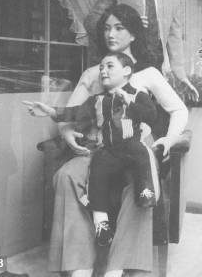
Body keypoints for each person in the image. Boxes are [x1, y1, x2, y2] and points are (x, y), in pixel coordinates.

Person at [49, 4, 188, 277]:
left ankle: (119, 267)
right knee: (66, 175)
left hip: (135, 152)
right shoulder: (93, 73)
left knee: (139, 184)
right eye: (107, 28)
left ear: (134, 34)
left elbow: (179, 109)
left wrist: (168, 140)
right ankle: (80, 267)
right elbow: (71, 114)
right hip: (97, 151)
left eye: (119, 27)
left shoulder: (148, 75)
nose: (110, 34)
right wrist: (66, 132)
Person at [25, 52, 160, 247]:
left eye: (110, 66)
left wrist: (129, 102)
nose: (103, 70)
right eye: (101, 67)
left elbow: (151, 116)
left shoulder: (138, 95)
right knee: (97, 170)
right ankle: (101, 224)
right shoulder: (95, 100)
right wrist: (50, 112)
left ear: (127, 71)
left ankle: (145, 191)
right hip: (108, 150)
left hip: (131, 145)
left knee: (141, 154)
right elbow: (73, 113)